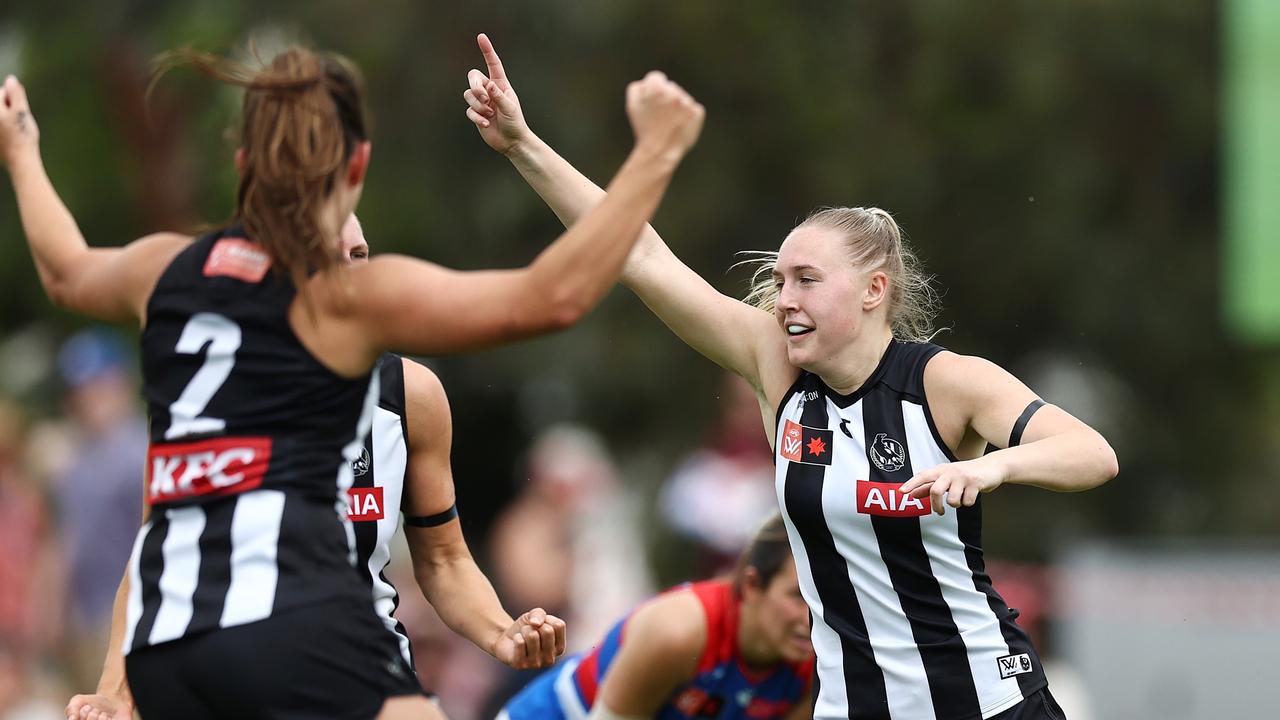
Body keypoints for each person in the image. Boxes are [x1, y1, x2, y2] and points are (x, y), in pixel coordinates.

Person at [0, 37, 704, 720]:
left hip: (172, 650)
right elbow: (553, 297)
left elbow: (65, 268)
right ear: (358, 167)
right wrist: (656, 152)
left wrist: (23, 149)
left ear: (244, 164)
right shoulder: (338, 301)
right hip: (292, 633)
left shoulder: (168, 273)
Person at [462, 34, 1118, 720]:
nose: (784, 300)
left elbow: (1091, 454)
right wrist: (522, 145)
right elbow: (642, 256)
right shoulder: (776, 369)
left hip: (988, 704)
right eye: (779, 281)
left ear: (873, 290)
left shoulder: (945, 383)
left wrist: (992, 469)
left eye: (806, 280)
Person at [64, 215, 569, 719]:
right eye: (332, 259)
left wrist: (502, 632)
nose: (356, 278)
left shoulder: (412, 396)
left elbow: (445, 562)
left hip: (364, 667)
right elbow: (159, 555)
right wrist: (116, 691)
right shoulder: (203, 394)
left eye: (361, 256)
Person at [497, 513, 814, 720]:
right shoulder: (678, 631)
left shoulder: (817, 666)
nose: (811, 617)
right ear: (752, 585)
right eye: (797, 596)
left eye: (819, 598)